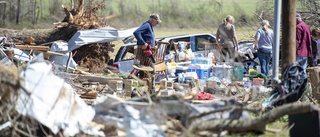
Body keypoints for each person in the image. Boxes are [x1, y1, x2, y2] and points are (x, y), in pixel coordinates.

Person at [133, 13, 161, 92]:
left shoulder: (150, 26)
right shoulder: (147, 25)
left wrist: (153, 41)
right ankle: (151, 88)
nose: (157, 23)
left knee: (147, 70)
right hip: (144, 52)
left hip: (148, 52)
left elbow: (147, 36)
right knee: (151, 69)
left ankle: (147, 88)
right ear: (152, 20)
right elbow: (136, 32)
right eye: (157, 22)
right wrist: (143, 43)